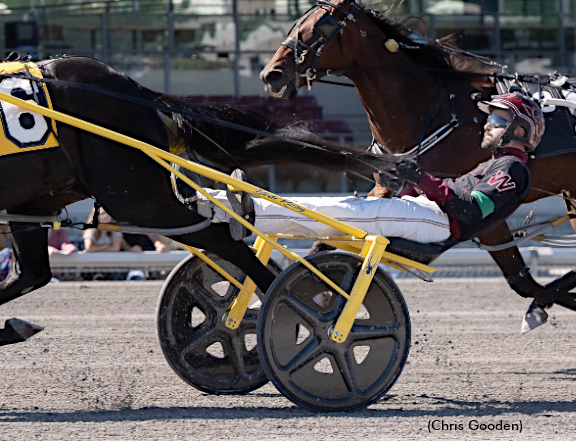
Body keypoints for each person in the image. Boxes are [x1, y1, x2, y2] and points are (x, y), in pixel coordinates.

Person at [222, 92, 545, 327]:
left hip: (434, 223)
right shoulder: (496, 165)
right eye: (490, 118)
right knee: (336, 214)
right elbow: (449, 196)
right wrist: (407, 181)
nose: (488, 124)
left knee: (337, 211)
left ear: (519, 131)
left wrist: (421, 177)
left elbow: (471, 211)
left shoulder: (511, 169)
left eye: (498, 120)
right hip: (423, 215)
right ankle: (223, 203)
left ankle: (248, 213)